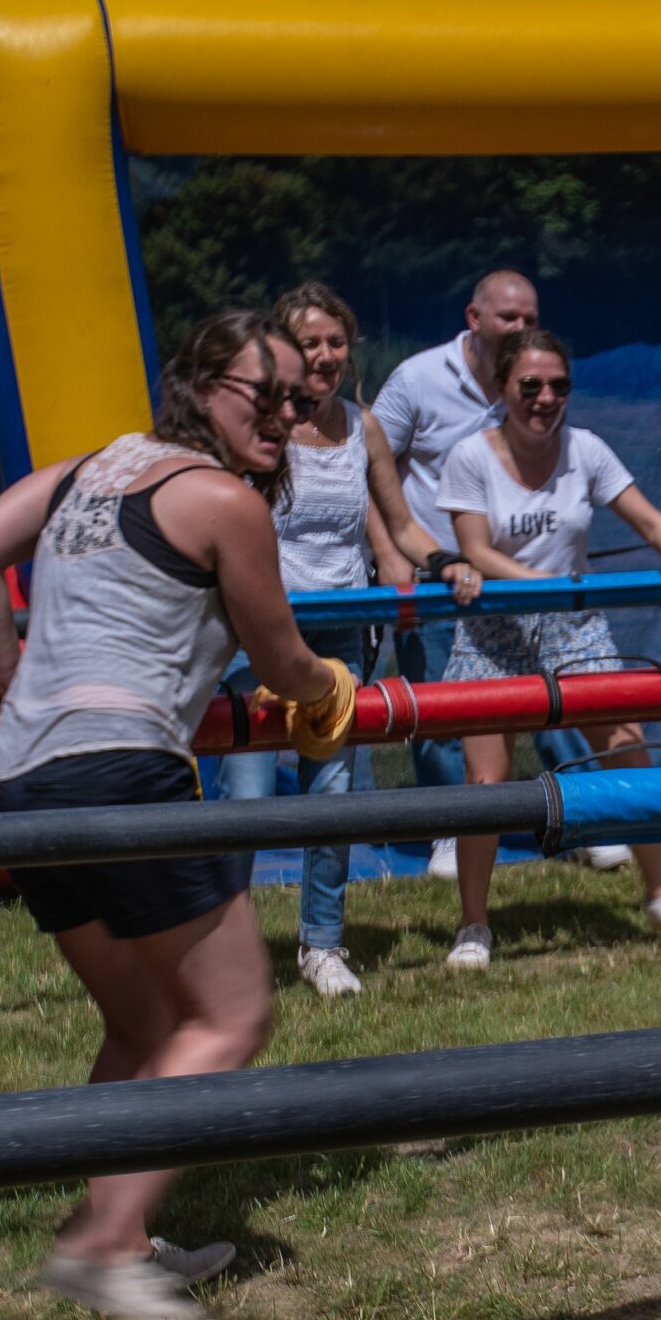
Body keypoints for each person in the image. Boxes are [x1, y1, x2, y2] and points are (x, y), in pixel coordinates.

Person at [0, 311, 358, 1320]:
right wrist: (331, 688)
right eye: (259, 395)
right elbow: (283, 662)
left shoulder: (93, 469)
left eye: (297, 399)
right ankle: (97, 1245)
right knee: (231, 1016)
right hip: (122, 768)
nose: (283, 413)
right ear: (199, 387)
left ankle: (121, 1233)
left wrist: (18, 688)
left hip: (21, 772)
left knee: (139, 1024)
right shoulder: (223, 500)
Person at [438, 327, 661, 965]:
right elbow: (477, 550)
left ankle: (660, 891)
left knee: (627, 748)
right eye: (530, 386)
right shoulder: (470, 456)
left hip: (574, 626)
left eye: (558, 386)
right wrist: (546, 584)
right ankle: (474, 924)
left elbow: (648, 519)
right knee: (486, 779)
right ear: (503, 389)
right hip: (495, 630)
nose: (545, 398)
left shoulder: (586, 448)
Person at [219, 282, 448, 998]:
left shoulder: (364, 426)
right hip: (257, 631)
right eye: (308, 343)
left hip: (341, 631)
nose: (323, 355)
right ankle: (223, 951)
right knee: (245, 803)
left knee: (333, 793)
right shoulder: (260, 427)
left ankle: (322, 944)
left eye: (334, 341)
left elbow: (402, 525)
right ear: (280, 351)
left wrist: (444, 561)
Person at [372, 270, 636, 881]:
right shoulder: (416, 378)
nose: (520, 327)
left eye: (529, 317)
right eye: (508, 318)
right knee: (446, 708)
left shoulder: (536, 382)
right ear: (474, 317)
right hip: (442, 579)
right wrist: (392, 550)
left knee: (565, 703)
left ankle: (582, 822)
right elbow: (371, 457)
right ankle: (448, 830)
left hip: (534, 584)